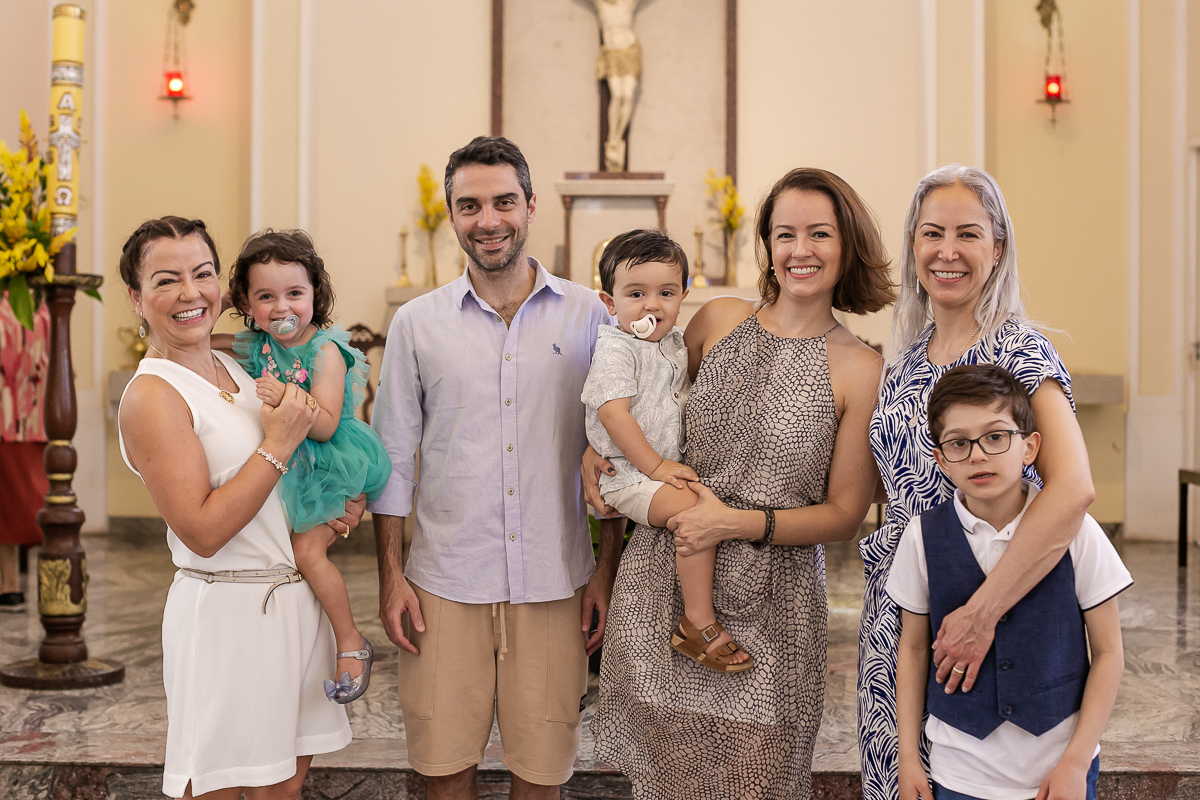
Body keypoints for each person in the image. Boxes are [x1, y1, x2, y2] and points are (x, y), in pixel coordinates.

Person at [589, 167, 894, 798]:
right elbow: (637, 410)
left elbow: (843, 513)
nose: (800, 250)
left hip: (772, 605)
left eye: (819, 234)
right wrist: (588, 458)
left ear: (847, 246)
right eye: (785, 234)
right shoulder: (716, 321)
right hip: (661, 583)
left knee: (757, 781)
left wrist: (733, 521)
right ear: (768, 245)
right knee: (666, 780)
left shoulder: (862, 367)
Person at [369, 136, 626, 800]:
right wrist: (392, 575)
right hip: (444, 587)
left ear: (531, 205)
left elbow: (614, 455)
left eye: (504, 201)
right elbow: (392, 457)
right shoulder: (418, 325)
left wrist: (604, 573)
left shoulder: (590, 315)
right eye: (470, 205)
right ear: (452, 215)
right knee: (443, 772)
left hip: (554, 582)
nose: (489, 220)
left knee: (541, 778)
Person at [859, 165, 1097, 800]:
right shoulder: (908, 357)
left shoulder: (1021, 354)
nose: (948, 251)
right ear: (912, 248)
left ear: (998, 248)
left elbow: (1072, 489)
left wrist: (981, 614)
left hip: (992, 610)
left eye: (968, 234)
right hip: (902, 617)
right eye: (931, 234)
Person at [116, 216, 364, 799]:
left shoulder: (236, 366)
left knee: (282, 792)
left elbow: (291, 470)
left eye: (202, 274)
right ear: (136, 297)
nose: (189, 293)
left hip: (291, 605)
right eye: (166, 279)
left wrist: (335, 505)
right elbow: (202, 529)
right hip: (226, 618)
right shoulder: (152, 395)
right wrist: (278, 444)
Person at [891, 365, 1129, 800]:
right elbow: (910, 648)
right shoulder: (921, 536)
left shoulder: (1078, 531)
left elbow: (1110, 652)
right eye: (959, 443)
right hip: (960, 773)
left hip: (1059, 773)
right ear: (941, 459)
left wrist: (1075, 763)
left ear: (1029, 447)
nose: (978, 455)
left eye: (996, 436)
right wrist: (908, 757)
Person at [227, 229, 392, 704]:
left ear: (315, 294)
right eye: (265, 296)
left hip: (329, 463)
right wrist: (216, 300)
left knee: (307, 555)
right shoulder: (255, 340)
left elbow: (322, 425)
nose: (281, 308)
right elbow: (195, 339)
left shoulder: (324, 350)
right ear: (247, 302)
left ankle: (350, 641)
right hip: (289, 464)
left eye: (294, 293)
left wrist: (285, 396)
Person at [582, 228, 753, 674]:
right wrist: (657, 467)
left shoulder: (674, 344)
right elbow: (614, 415)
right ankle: (697, 621)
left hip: (655, 470)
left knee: (704, 503)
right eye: (636, 294)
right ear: (610, 302)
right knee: (695, 513)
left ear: (683, 298)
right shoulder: (616, 348)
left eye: (666, 293)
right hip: (626, 473)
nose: (652, 305)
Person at [0, 299, 50, 613]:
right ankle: (9, 582)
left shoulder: (40, 302)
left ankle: (30, 583)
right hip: (9, 413)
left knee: (27, 504)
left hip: (31, 415)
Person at [591, 0, 642, 171]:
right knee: (617, 96)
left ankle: (616, 141)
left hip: (629, 51)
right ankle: (612, 141)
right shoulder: (601, 4)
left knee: (627, 96)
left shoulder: (628, 3)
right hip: (611, 54)